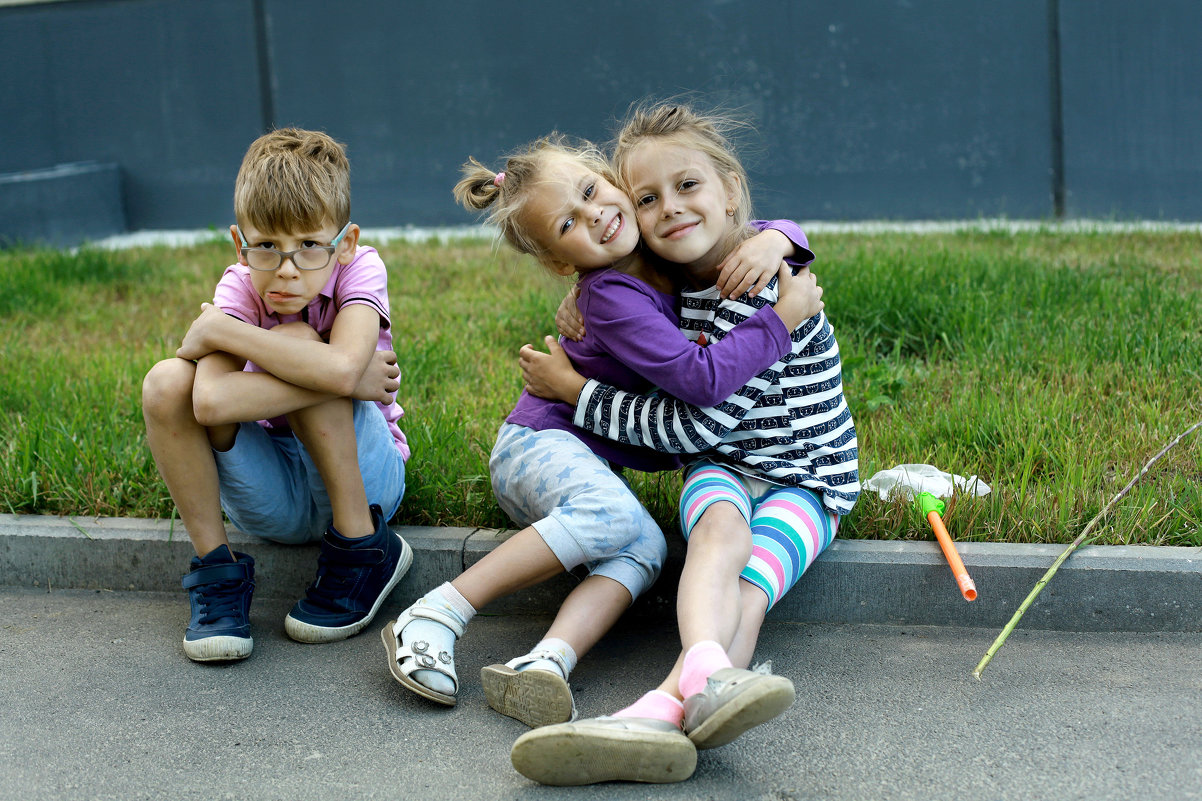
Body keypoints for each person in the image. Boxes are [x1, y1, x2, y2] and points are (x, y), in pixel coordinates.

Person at [381, 133, 823, 729]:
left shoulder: (657, 253)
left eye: (592, 192)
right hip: (540, 443)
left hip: (584, 455)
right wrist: (782, 321)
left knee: (643, 549)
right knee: (616, 520)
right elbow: (699, 378)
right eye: (570, 223)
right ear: (563, 262)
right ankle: (435, 613)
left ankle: (545, 662)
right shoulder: (611, 295)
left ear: (614, 183)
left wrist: (779, 236)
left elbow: (725, 218)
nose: (595, 215)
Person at [510, 102, 860, 786]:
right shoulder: (663, 283)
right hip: (724, 464)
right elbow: (621, 299)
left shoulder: (767, 289)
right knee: (717, 537)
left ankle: (660, 707)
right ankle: (705, 675)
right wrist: (588, 291)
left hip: (806, 479)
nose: (668, 208)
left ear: (730, 188)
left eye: (688, 186)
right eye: (647, 198)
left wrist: (578, 393)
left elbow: (693, 423)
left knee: (752, 583)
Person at [141, 128, 411, 663]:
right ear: (241, 246)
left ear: (345, 242)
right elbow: (210, 403)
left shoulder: (362, 268)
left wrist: (223, 332)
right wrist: (344, 375)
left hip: (367, 482)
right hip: (274, 498)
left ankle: (364, 551)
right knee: (166, 382)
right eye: (267, 247)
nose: (287, 270)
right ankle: (217, 573)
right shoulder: (239, 284)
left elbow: (335, 369)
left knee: (302, 341)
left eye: (309, 245)